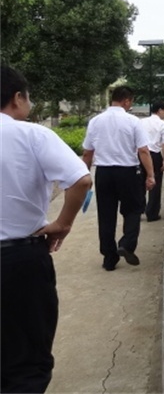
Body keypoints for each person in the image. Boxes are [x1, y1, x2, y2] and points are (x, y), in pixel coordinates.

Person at [1, 66, 92, 393]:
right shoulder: (31, 134)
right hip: (18, 261)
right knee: (25, 364)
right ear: (16, 98)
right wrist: (62, 225)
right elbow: (81, 179)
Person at [81, 86, 155, 270]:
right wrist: (151, 175)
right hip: (128, 172)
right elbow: (143, 150)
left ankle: (109, 257)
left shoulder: (95, 121)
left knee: (106, 215)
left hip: (104, 173)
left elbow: (87, 153)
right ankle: (126, 244)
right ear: (127, 101)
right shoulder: (133, 121)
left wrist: (84, 176)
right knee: (133, 209)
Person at [140, 101, 164, 221]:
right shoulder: (163, 125)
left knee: (140, 183)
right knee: (155, 184)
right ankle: (152, 213)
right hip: (154, 156)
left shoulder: (141, 122)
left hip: (140, 155)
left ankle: (138, 210)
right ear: (159, 110)